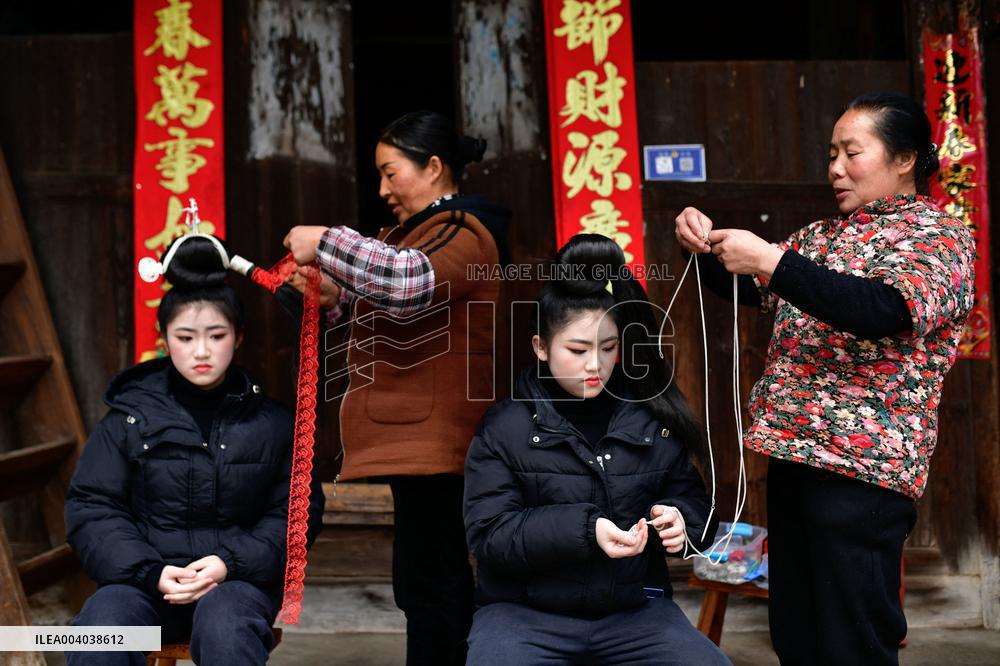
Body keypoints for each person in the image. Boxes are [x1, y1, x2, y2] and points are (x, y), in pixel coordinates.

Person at [674, 91, 976, 665]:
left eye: (851, 152)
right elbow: (755, 285)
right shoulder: (822, 238)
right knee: (798, 634)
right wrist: (704, 245)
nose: (835, 168)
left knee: (852, 644)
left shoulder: (939, 235)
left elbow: (885, 310)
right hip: (792, 458)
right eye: (831, 153)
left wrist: (770, 261)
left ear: (905, 158)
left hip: (863, 475)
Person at [283, 110, 510, 665]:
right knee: (423, 583)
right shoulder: (425, 234)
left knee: (433, 586)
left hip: (438, 443)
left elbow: (407, 281)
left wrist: (328, 241)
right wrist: (337, 300)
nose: (382, 189)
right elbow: (392, 300)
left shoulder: (462, 229)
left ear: (434, 167)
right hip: (418, 444)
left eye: (391, 172)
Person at [462, 234, 731, 665]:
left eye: (608, 348)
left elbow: (695, 502)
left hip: (634, 611)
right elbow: (490, 535)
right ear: (541, 348)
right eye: (578, 349)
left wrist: (683, 521)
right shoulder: (504, 427)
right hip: (523, 614)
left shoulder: (650, 419)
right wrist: (587, 530)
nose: (595, 364)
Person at [64, 234, 325, 666]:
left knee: (227, 626)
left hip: (236, 584)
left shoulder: (276, 426)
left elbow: (296, 514)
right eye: (185, 337)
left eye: (216, 335)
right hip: (143, 584)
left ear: (238, 338)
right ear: (165, 340)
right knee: (99, 631)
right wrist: (149, 572)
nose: (201, 351)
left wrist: (228, 563)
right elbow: (93, 507)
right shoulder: (128, 418)